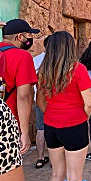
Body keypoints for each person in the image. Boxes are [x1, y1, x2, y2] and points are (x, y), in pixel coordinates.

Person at [36, 31, 91, 181]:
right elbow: (88, 103)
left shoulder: (44, 71)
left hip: (51, 125)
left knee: (56, 174)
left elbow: (40, 101)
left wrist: (53, 113)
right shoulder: (78, 69)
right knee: (74, 178)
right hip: (74, 125)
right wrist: (83, 118)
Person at [0, 18, 39, 155]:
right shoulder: (22, 56)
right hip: (7, 122)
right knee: (9, 170)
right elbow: (23, 96)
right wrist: (25, 133)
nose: (30, 39)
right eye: (28, 35)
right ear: (19, 37)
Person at [33, 36, 50, 169]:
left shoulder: (36, 59)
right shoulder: (55, 61)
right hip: (52, 101)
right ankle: (55, 157)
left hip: (38, 100)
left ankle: (40, 158)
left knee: (40, 129)